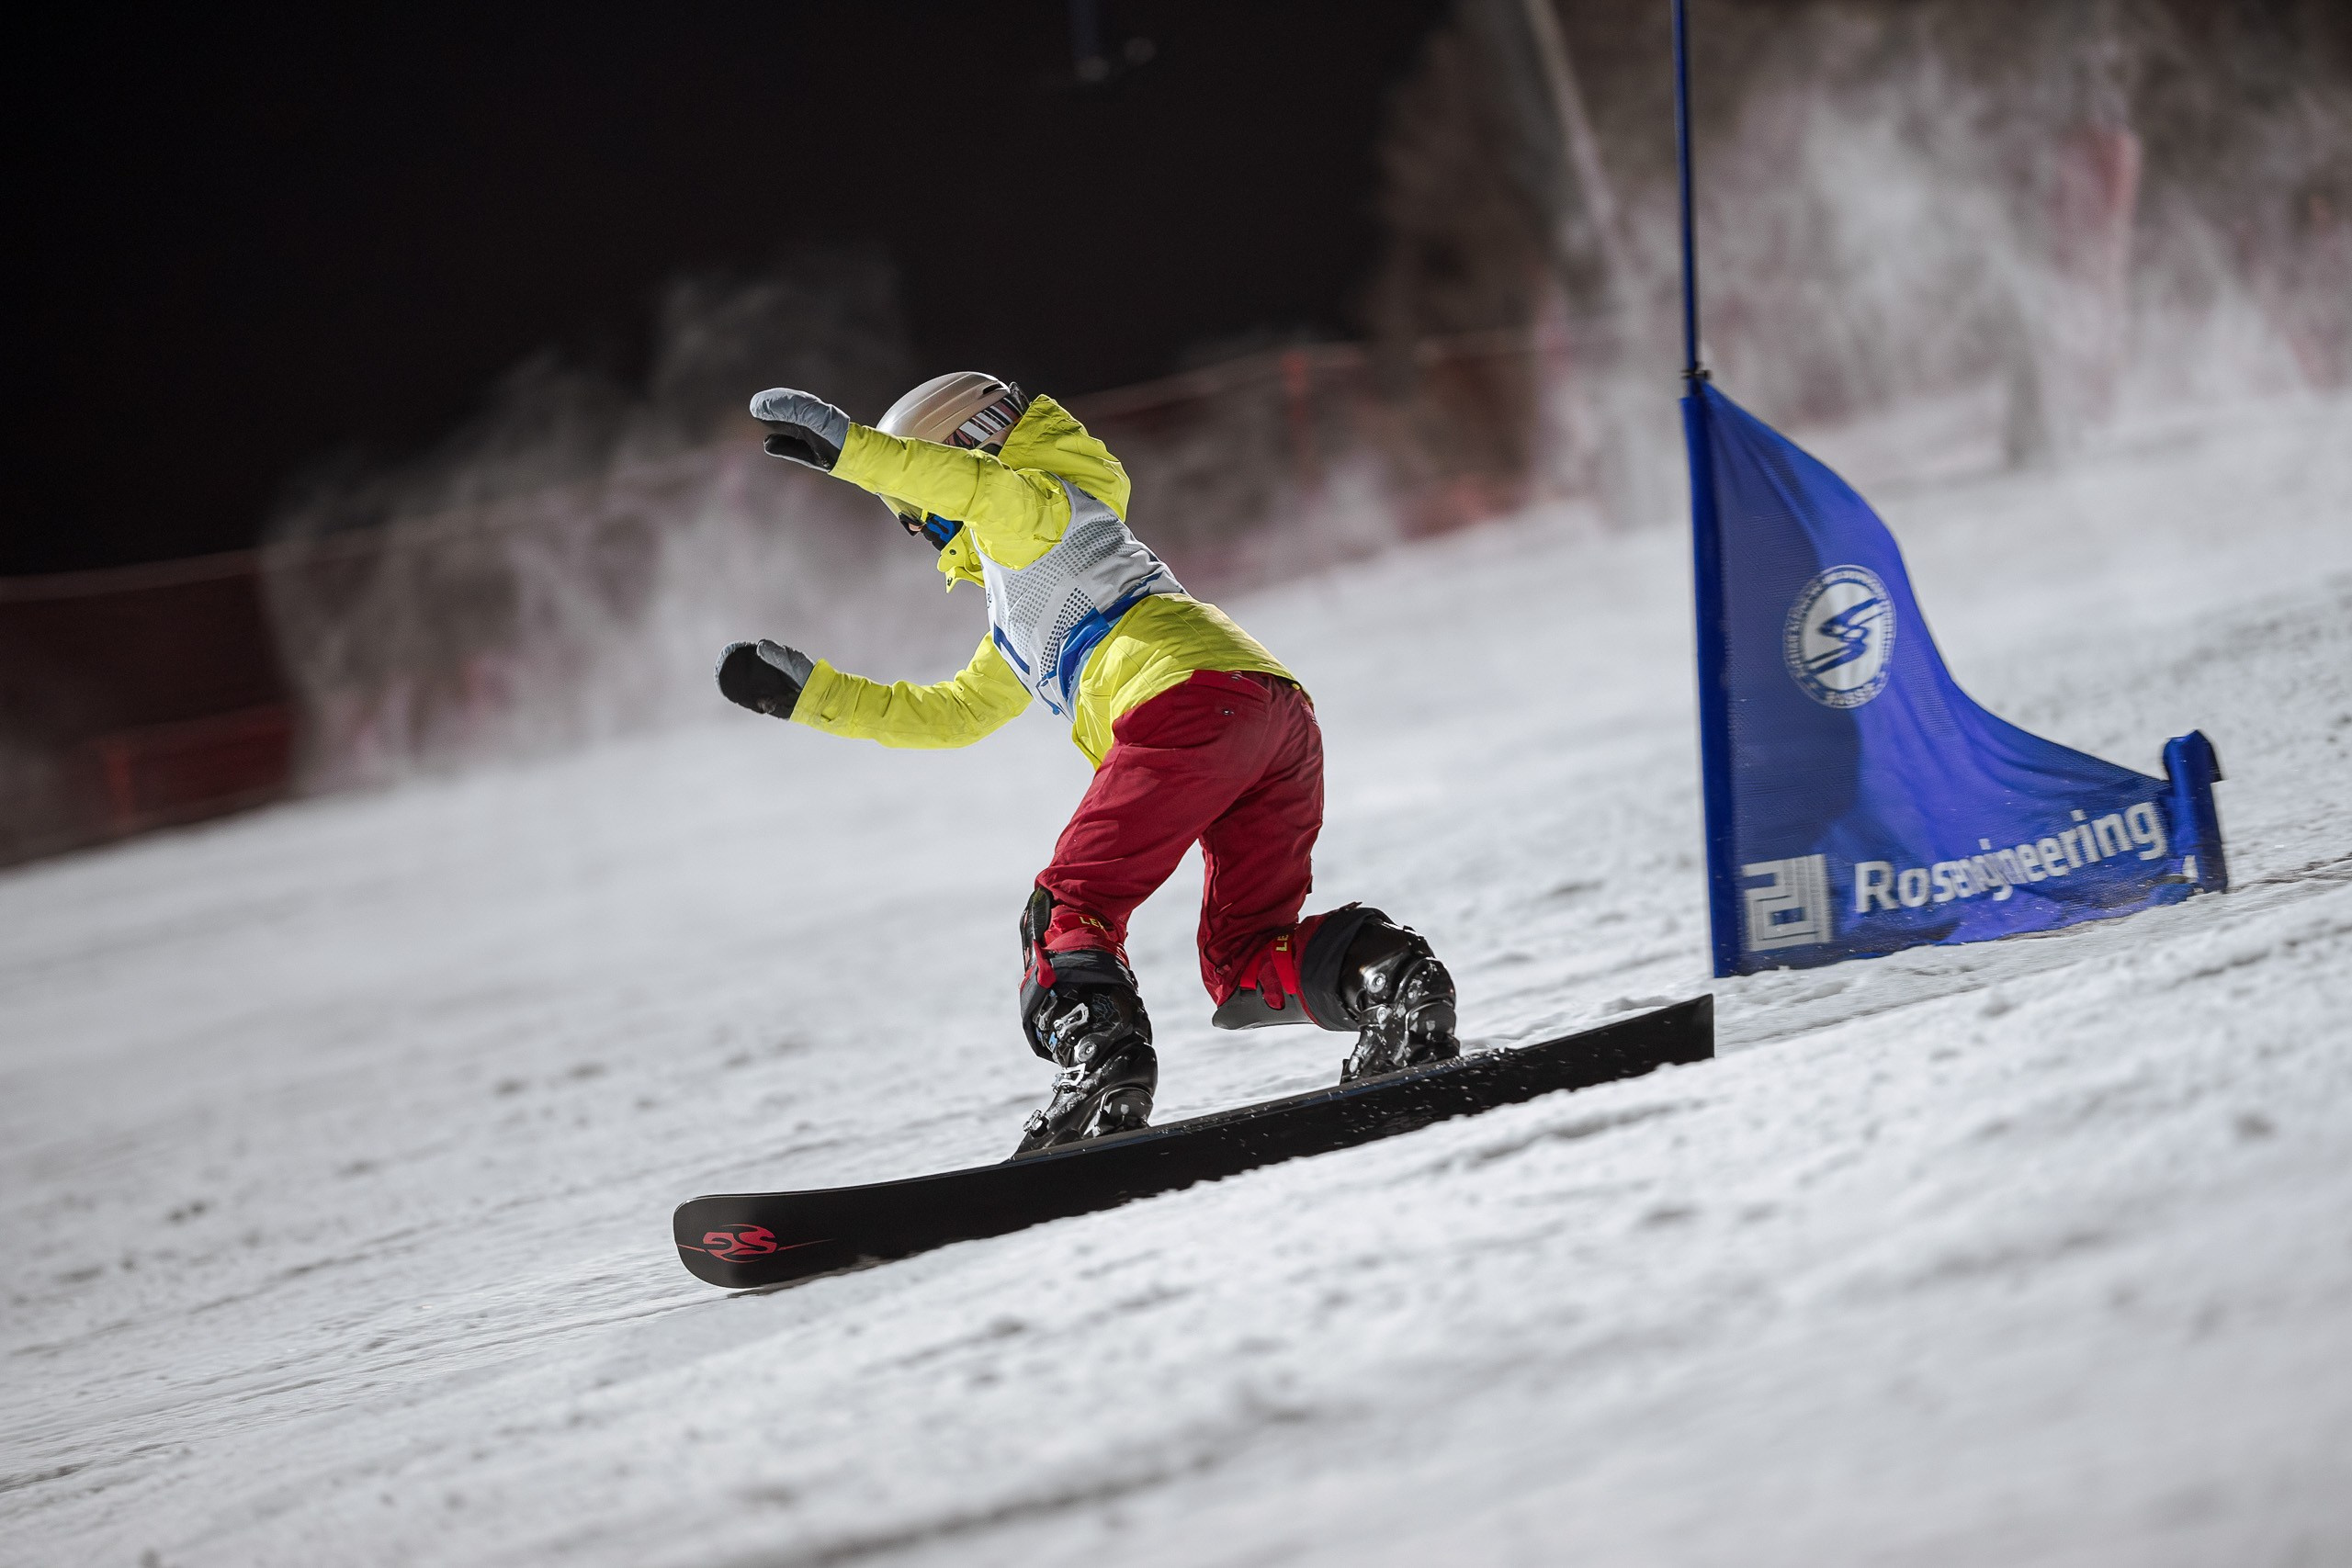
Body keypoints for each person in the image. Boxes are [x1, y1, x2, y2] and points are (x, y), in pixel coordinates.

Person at [718, 373, 1457, 1155]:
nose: (924, 536)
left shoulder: (1035, 507)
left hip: (1186, 707)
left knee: (1066, 913)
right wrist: (813, 696)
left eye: (917, 516)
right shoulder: (1026, 585)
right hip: (1272, 717)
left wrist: (851, 451)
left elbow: (977, 491)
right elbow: (954, 713)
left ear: (951, 455)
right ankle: (1395, 985)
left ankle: (1103, 1068)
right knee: (1243, 964)